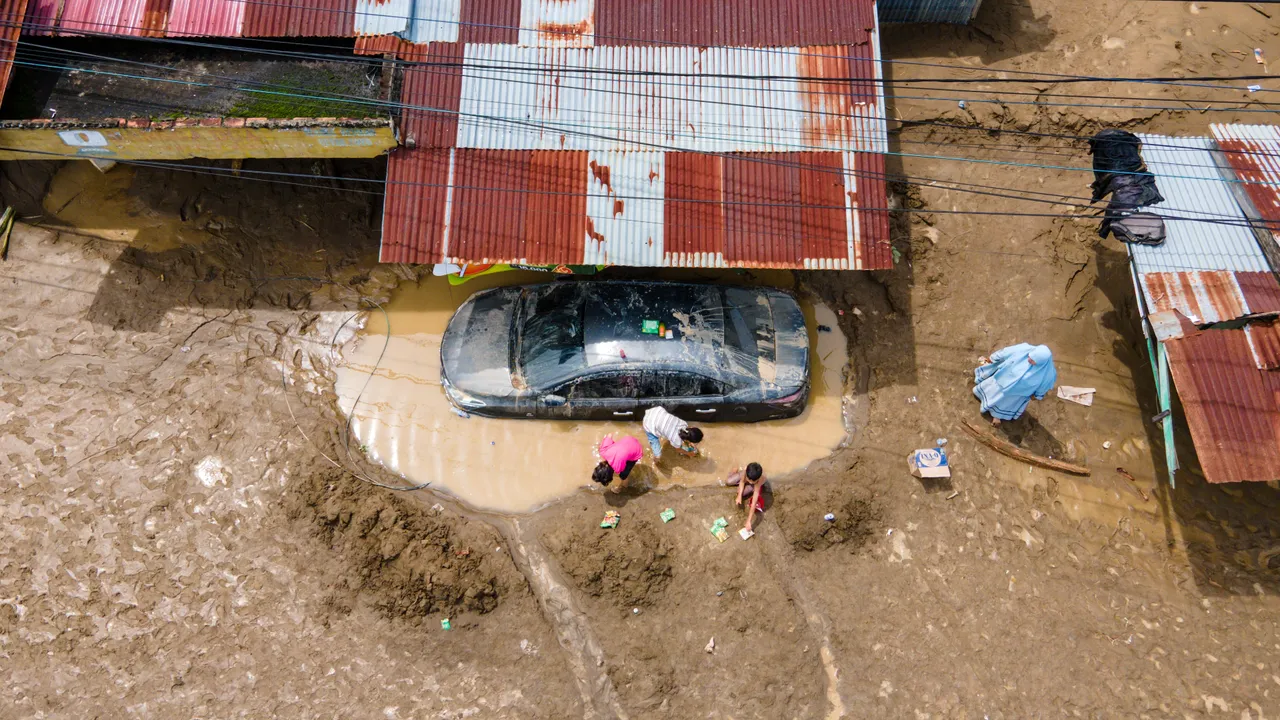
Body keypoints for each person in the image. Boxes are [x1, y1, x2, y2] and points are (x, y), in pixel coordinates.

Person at [973, 343, 1057, 426]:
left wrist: (1037, 395)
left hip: (1018, 394)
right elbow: (1006, 352)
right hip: (1003, 379)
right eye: (1030, 356)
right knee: (992, 390)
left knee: (1005, 404)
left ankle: (997, 416)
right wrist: (993, 358)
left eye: (1033, 361)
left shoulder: (1049, 375)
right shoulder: (1024, 349)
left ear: (1041, 363)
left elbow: (1043, 387)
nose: (1029, 360)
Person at [726, 462, 766, 532]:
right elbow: (742, 482)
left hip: (756, 484)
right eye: (749, 480)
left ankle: (749, 487)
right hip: (748, 476)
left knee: (742, 492)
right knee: (728, 481)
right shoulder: (746, 471)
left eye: (752, 481)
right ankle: (735, 472)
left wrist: (748, 521)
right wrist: (739, 496)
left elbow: (754, 503)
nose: (750, 482)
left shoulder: (758, 481)